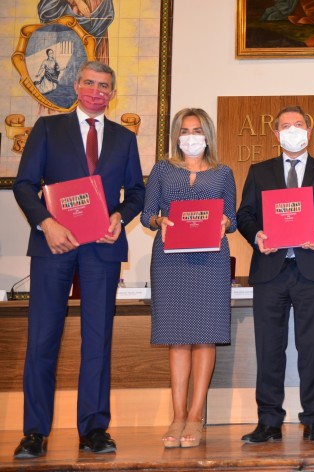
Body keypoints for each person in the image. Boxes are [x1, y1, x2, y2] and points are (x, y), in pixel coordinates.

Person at [12, 60, 145, 459]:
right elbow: (23, 185)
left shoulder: (124, 138)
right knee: (42, 340)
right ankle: (34, 433)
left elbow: (136, 191)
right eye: (89, 82)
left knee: (98, 340)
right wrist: (46, 224)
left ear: (112, 92)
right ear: (76, 85)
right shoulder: (48, 129)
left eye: (104, 85)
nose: (96, 91)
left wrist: (120, 216)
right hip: (54, 246)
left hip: (102, 249)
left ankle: (94, 429)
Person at [237, 105, 314, 443]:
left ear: (310, 132)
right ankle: (268, 421)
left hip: (312, 270)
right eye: (285, 125)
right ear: (275, 134)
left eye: (298, 125)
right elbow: (245, 214)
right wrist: (257, 236)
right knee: (269, 349)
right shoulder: (259, 170)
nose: (292, 130)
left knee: (313, 348)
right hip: (271, 270)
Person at [140, 108, 237, 448]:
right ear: (176, 135)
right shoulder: (163, 169)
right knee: (177, 337)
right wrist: (158, 222)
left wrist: (225, 223)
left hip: (210, 258)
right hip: (170, 258)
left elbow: (233, 218)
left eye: (197, 129)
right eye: (185, 130)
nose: (191, 136)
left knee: (205, 337)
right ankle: (177, 415)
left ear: (207, 134)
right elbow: (147, 214)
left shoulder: (224, 173)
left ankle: (196, 417)